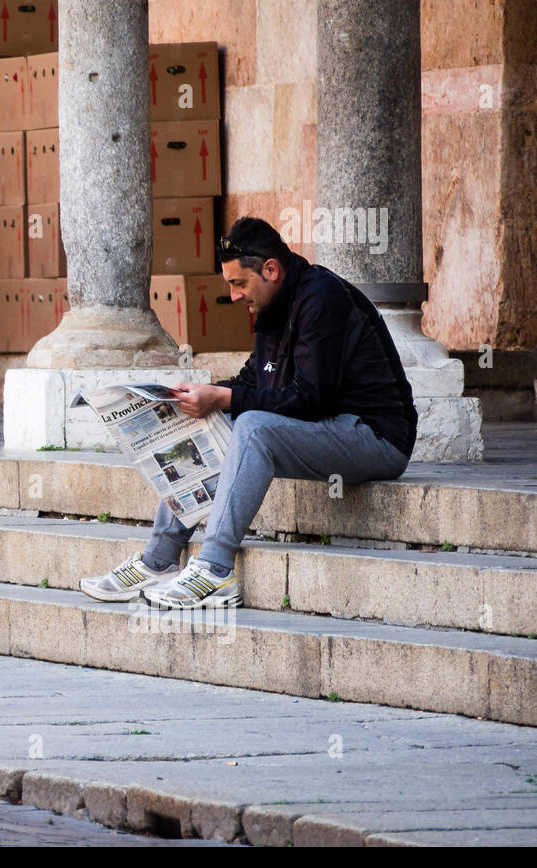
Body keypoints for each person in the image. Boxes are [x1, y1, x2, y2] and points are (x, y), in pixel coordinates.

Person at [80, 216, 418, 609]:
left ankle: (216, 571)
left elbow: (310, 400)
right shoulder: (272, 306)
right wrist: (201, 396)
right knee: (211, 418)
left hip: (376, 437)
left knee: (253, 427)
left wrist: (224, 399)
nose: (235, 296)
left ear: (271, 270)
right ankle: (158, 560)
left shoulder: (322, 298)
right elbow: (254, 382)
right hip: (329, 429)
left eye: (239, 284)